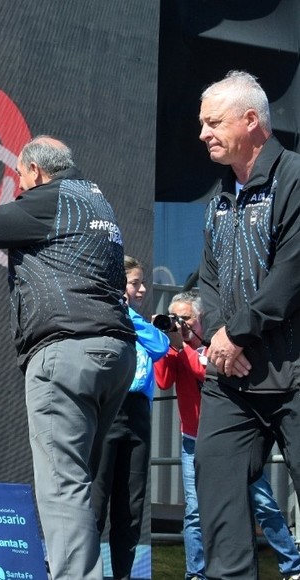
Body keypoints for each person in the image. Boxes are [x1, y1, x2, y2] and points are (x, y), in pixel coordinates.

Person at [0, 135, 137, 579]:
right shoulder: (92, 200)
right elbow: (46, 237)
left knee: (63, 487)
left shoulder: (48, 200)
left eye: (21, 179)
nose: (20, 188)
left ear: (36, 172)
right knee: (79, 482)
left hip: (66, 354)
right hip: (115, 352)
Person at [194, 69, 300, 579]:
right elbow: (208, 281)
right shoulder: (218, 199)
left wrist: (236, 333)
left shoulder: (295, 178)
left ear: (251, 120)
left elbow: (292, 273)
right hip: (230, 381)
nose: (203, 133)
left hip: (294, 372)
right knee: (216, 497)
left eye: (213, 122)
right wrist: (220, 337)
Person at [155, 290, 300, 580]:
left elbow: (207, 372)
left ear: (201, 320)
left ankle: (292, 566)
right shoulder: (178, 350)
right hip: (192, 441)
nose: (180, 324)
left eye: (186, 319)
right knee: (195, 513)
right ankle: (196, 573)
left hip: (233, 442)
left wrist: (188, 347)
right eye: (176, 319)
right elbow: (162, 381)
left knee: (264, 505)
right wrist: (166, 343)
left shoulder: (217, 345)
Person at [91, 256, 169, 580]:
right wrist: (118, 310)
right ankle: (84, 572)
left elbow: (161, 345)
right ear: (119, 284)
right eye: (135, 282)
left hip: (137, 414)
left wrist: (128, 315)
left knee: (131, 506)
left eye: (141, 283)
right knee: (96, 500)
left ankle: (122, 574)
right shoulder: (100, 315)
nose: (142, 289)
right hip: (109, 408)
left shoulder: (139, 322)